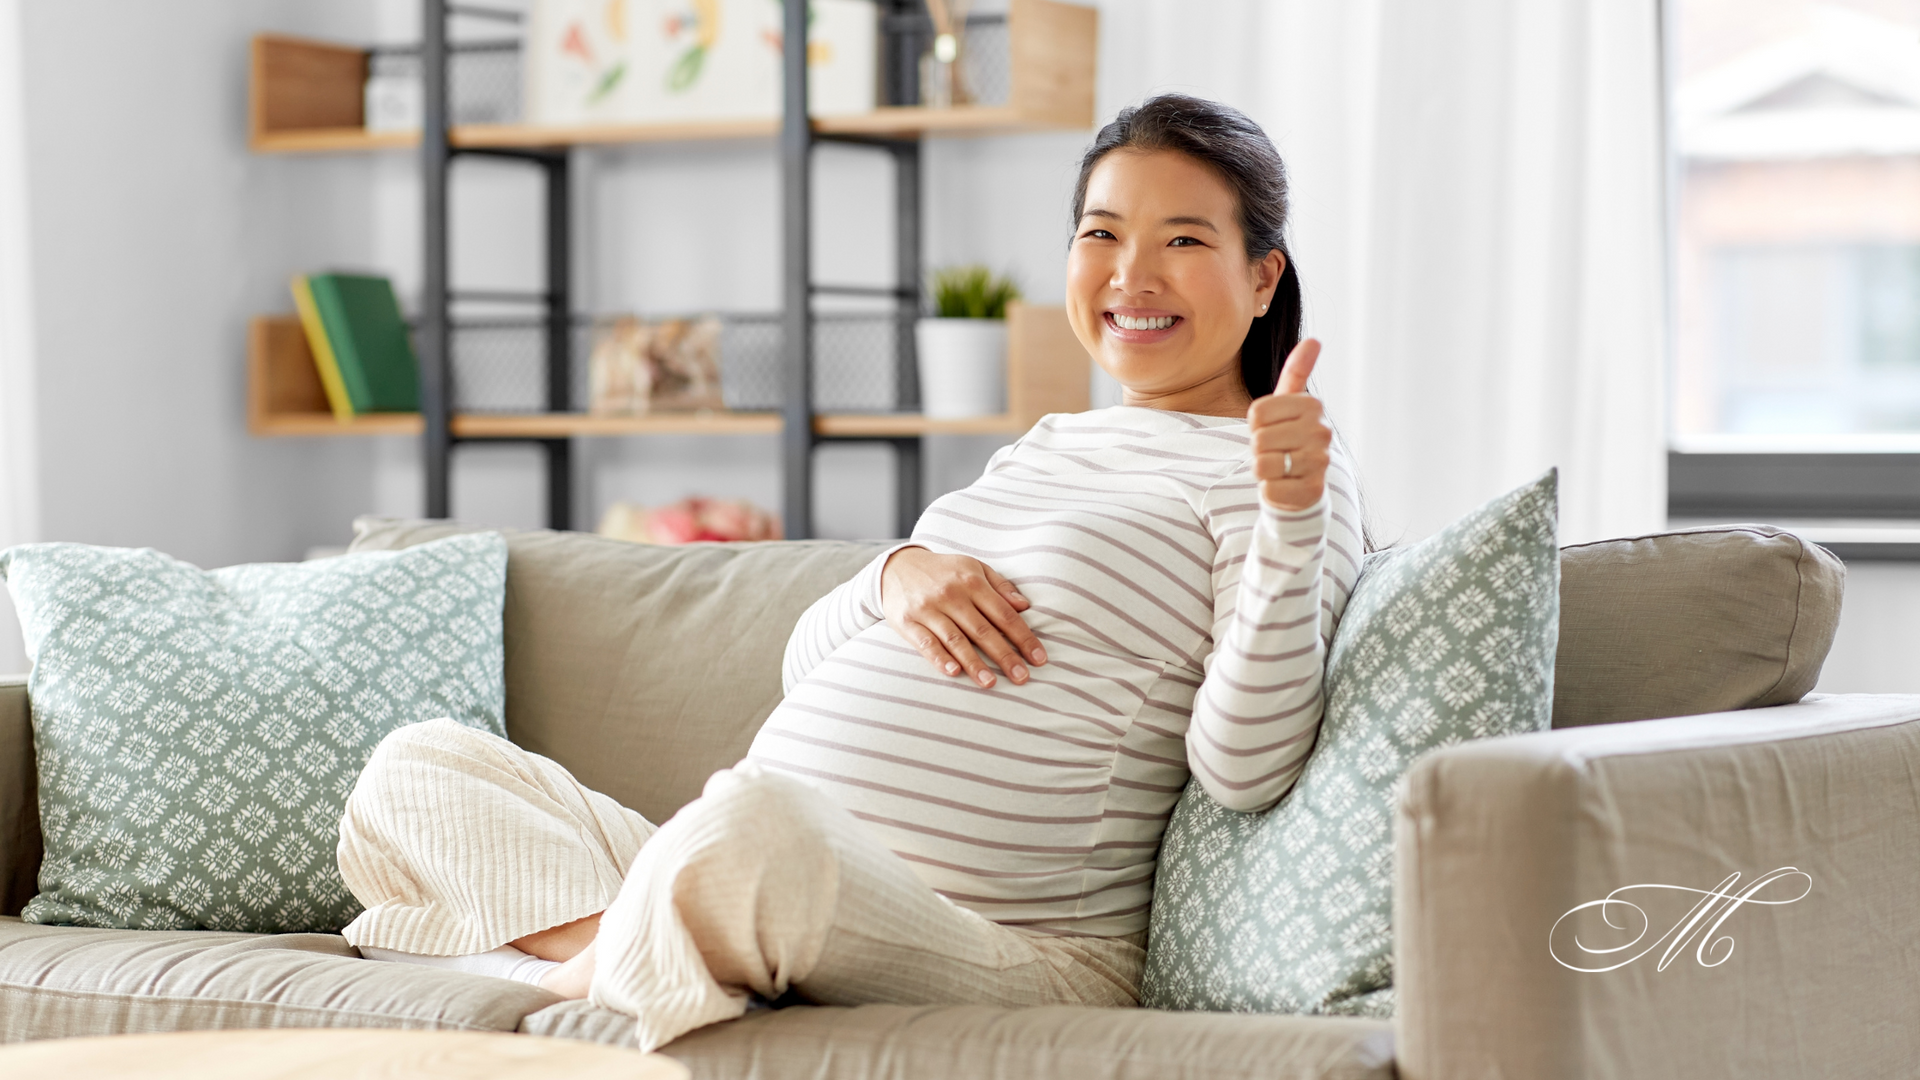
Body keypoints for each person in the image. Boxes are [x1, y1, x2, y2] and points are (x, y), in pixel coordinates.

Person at [335, 93, 1364, 1052]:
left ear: (1263, 273)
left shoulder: (1281, 472)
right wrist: (895, 576)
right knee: (419, 766)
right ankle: (639, 943)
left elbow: (1247, 768)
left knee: (750, 831)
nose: (1130, 275)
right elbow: (804, 665)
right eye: (1101, 233)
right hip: (785, 863)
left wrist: (1287, 521)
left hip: (1011, 944)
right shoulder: (1045, 445)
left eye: (1183, 240)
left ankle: (546, 979)